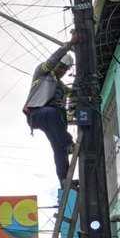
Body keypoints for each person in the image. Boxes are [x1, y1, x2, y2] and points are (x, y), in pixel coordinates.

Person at [23, 34, 78, 186]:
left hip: (52, 121)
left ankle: (64, 180)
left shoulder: (60, 86)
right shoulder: (42, 73)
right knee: (52, 114)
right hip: (36, 114)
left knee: (58, 149)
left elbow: (72, 93)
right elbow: (52, 60)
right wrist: (69, 44)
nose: (62, 71)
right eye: (60, 67)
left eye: (65, 70)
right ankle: (68, 143)